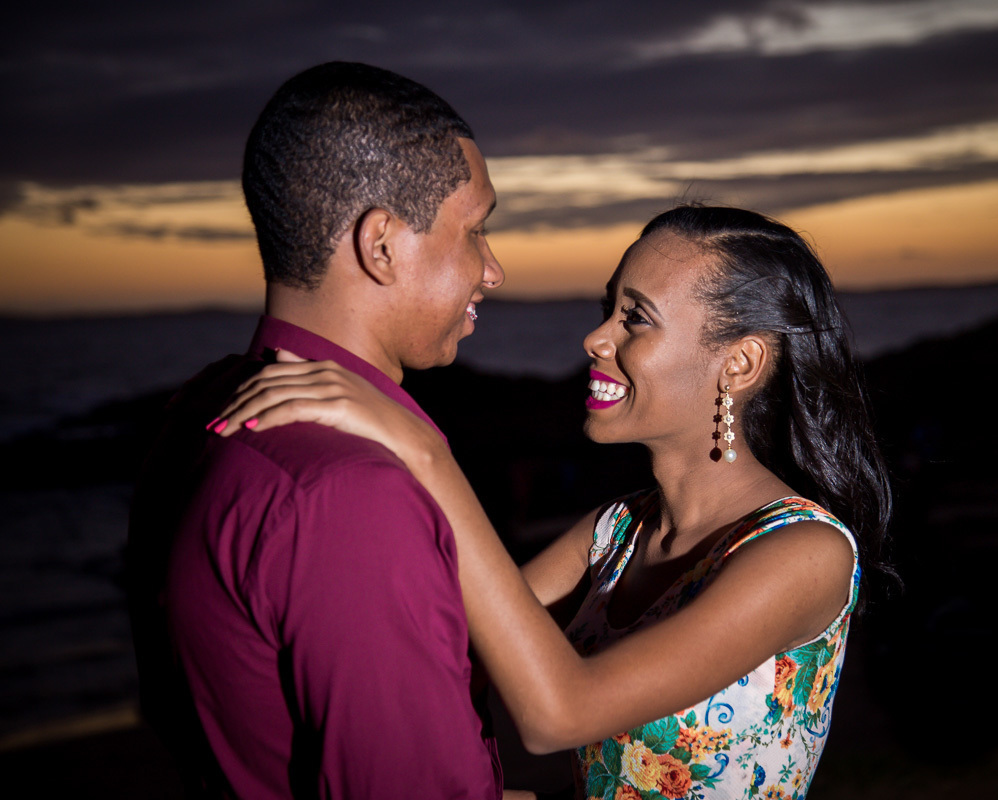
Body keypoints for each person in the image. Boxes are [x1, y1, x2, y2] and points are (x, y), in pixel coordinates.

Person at [216, 204, 895, 798]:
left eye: (637, 319)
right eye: (609, 310)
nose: (596, 339)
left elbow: (561, 714)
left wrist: (424, 452)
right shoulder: (614, 532)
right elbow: (453, 654)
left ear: (739, 365)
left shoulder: (805, 551)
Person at [126, 62, 506, 797]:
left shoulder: (199, 412)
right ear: (382, 245)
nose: (492, 269)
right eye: (475, 230)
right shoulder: (349, 497)